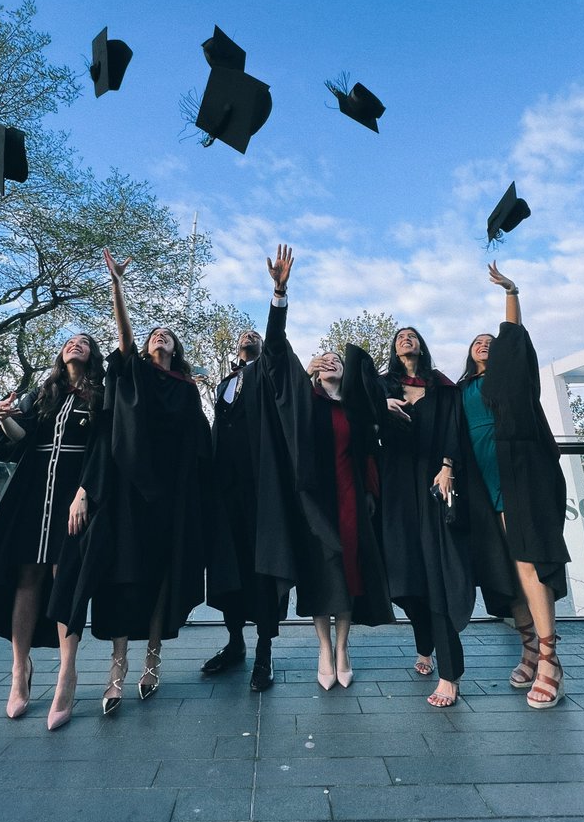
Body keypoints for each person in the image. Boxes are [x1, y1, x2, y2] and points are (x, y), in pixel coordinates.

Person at [59, 249, 212, 714]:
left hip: (171, 496)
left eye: (167, 335)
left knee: (161, 578)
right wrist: (117, 287)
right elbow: (124, 339)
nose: (159, 336)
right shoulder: (135, 373)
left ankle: (153, 660)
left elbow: (200, 448)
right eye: (154, 334)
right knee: (123, 578)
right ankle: (117, 669)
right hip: (127, 491)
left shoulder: (187, 390)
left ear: (176, 349)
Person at [262, 245, 393, 689]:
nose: (332, 360)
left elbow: (376, 423)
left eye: (338, 359)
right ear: (316, 371)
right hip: (313, 499)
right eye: (325, 359)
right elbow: (276, 353)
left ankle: (343, 646)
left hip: (352, 497)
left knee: (351, 568)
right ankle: (323, 646)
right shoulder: (305, 400)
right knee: (321, 570)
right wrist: (280, 293)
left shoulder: (355, 408)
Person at [0, 333, 105, 729]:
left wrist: (84, 494)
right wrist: (3, 420)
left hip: (74, 493)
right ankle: (19, 669)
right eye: (70, 341)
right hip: (33, 492)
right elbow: (18, 443)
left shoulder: (101, 396)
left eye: (84, 343)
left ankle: (67, 673)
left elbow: (104, 449)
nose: (75, 345)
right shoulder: (41, 394)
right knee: (27, 575)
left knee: (64, 577)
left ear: (93, 355)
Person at [459, 262, 569, 709]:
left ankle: (549, 659)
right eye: (477, 343)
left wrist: (511, 292)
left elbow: (514, 335)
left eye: (490, 342)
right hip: (480, 485)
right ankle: (527, 645)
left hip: (519, 474)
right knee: (504, 571)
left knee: (528, 562)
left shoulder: (512, 379)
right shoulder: (461, 388)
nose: (484, 344)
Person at [203, 318, 300, 693]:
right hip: (225, 491)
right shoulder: (225, 383)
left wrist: (279, 296)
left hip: (262, 489)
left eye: (255, 335)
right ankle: (235, 643)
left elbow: (276, 345)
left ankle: (264, 651)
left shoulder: (269, 373)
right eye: (245, 335)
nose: (249, 336)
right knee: (229, 568)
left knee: (262, 570)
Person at [379, 328, 475, 707]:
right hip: (394, 488)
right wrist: (378, 405)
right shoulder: (381, 385)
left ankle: (449, 674)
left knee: (436, 576)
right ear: (393, 347)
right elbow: (348, 405)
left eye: (412, 335)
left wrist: (448, 465)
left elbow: (455, 429)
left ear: (421, 345)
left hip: (435, 484)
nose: (406, 339)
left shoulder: (441, 386)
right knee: (402, 579)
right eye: (400, 336)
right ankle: (424, 641)